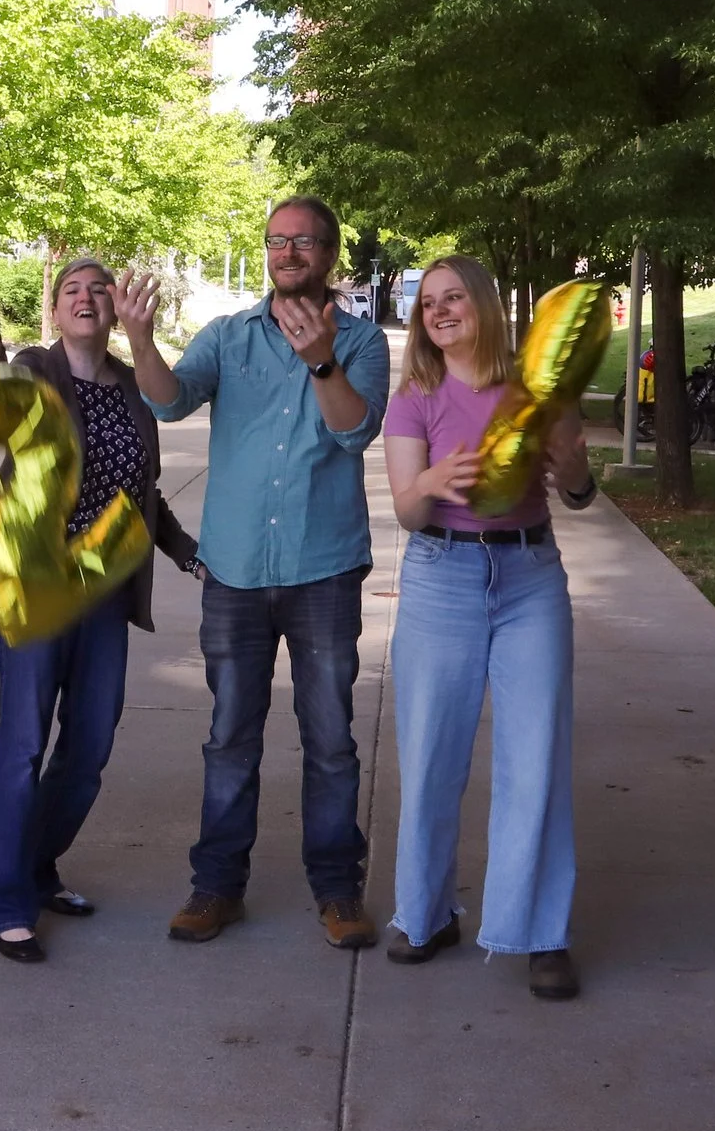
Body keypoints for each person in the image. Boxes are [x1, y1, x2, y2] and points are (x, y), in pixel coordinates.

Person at [121, 195, 392, 950]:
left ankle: (337, 889)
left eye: (303, 241)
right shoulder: (227, 335)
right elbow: (170, 403)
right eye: (277, 240)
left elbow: (354, 430)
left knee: (330, 739)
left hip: (323, 569)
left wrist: (321, 361)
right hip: (235, 571)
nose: (287, 252)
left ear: (329, 255)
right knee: (230, 736)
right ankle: (216, 886)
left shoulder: (363, 341)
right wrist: (140, 340)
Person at [0, 263, 198, 964]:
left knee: (89, 746)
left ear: (115, 310)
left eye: (98, 289)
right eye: (72, 290)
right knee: (24, 741)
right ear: (56, 312)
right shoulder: (37, 368)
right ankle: (6, 905)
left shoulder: (131, 389)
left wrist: (189, 555)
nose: (86, 297)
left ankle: (35, 864)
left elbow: (143, 493)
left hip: (101, 591)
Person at [382, 255, 595, 1000]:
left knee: (537, 756)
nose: (439, 311)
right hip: (442, 576)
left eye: (453, 298)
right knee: (430, 753)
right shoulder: (415, 398)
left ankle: (539, 933)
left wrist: (573, 469)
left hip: (529, 577)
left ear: (483, 305)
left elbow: (579, 493)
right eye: (428, 303)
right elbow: (406, 510)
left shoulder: (537, 390)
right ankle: (424, 915)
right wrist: (431, 483)